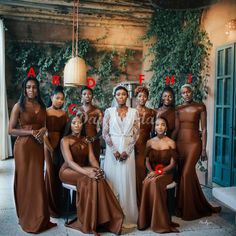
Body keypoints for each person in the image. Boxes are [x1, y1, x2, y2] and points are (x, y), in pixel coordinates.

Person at [59, 112, 124, 235]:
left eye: (79, 123)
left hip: (83, 168)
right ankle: (89, 221)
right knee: (90, 178)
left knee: (98, 177)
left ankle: (102, 220)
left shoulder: (86, 140)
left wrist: (98, 169)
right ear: (70, 125)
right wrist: (87, 172)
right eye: (74, 123)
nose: (77, 125)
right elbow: (70, 162)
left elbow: (92, 159)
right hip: (67, 171)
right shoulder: (65, 140)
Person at [8, 76, 56, 233]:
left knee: (36, 180)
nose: (31, 90)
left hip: (38, 146)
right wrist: (30, 132)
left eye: (34, 87)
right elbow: (11, 130)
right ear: (24, 89)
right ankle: (25, 216)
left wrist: (43, 130)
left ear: (37, 89)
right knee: (24, 180)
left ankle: (39, 216)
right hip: (23, 147)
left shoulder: (42, 106)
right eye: (28, 87)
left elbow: (45, 126)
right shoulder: (18, 106)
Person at [173, 84, 221, 220]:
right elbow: (176, 129)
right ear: (181, 94)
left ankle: (190, 209)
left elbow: (204, 129)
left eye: (188, 92)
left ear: (192, 92)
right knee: (186, 174)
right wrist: (170, 144)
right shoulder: (178, 108)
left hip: (194, 144)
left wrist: (204, 149)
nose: (186, 94)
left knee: (187, 173)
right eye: (183, 93)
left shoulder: (200, 106)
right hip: (180, 144)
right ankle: (186, 205)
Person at [103, 85, 140, 227]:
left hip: (127, 150)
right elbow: (105, 133)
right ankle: (112, 216)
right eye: (118, 94)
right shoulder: (109, 111)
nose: (121, 97)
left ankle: (128, 216)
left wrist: (127, 151)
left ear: (127, 96)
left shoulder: (134, 112)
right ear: (114, 96)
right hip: (112, 149)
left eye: (124, 94)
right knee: (112, 181)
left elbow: (137, 133)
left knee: (127, 181)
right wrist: (114, 150)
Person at [138, 117, 179, 233]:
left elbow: (172, 164)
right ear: (154, 127)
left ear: (166, 127)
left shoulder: (171, 142)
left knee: (155, 182)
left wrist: (158, 173)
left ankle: (160, 222)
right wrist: (151, 172)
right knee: (147, 181)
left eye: (162, 125)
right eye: (157, 125)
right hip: (153, 171)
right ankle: (146, 220)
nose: (160, 127)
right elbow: (146, 161)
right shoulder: (150, 142)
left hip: (166, 173)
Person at [44, 85, 67, 217]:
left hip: (60, 145)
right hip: (48, 145)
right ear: (52, 98)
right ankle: (49, 207)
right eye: (57, 98)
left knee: (59, 174)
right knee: (50, 173)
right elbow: (43, 133)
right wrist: (50, 148)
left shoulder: (64, 114)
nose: (59, 101)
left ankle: (59, 205)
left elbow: (65, 132)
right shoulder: (45, 112)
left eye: (62, 99)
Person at [134, 86, 156, 206]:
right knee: (137, 171)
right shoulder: (132, 111)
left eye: (144, 96)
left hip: (147, 144)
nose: (142, 98)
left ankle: (146, 199)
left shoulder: (152, 112)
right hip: (134, 144)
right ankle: (137, 200)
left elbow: (154, 130)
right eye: (140, 96)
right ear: (136, 97)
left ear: (147, 97)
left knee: (146, 170)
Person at [77, 86, 103, 163]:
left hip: (93, 140)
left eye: (89, 94)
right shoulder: (77, 110)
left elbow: (103, 128)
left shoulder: (97, 111)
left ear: (92, 96)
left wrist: (94, 138)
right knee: (81, 162)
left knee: (94, 162)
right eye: (84, 94)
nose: (87, 96)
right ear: (81, 96)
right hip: (80, 140)